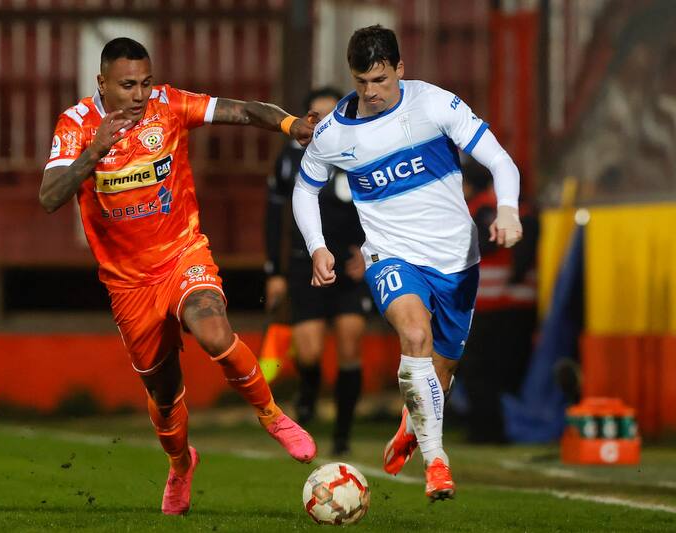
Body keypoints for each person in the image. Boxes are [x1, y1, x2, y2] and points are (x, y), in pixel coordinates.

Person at [39, 37, 317, 516]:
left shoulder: (169, 106)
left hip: (181, 254)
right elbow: (48, 197)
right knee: (165, 397)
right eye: (128, 85)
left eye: (145, 82)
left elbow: (245, 110)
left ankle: (270, 414)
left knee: (214, 332)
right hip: (128, 284)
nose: (140, 94)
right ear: (101, 83)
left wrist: (291, 124)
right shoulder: (77, 125)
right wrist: (93, 153)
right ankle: (180, 465)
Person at [292, 25, 523, 502]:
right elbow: (303, 189)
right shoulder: (334, 132)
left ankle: (413, 424)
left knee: (440, 372)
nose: (371, 93)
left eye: (380, 80)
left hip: (457, 258)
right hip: (390, 254)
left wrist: (507, 210)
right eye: (362, 83)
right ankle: (437, 463)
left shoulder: (435, 104)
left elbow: (502, 162)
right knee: (414, 336)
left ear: (400, 69)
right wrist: (317, 245)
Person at [264, 87, 370, 456]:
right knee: (308, 351)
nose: (324, 121)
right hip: (302, 262)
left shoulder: (360, 152)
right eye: (317, 114)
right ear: (308, 118)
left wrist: (370, 252)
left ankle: (342, 434)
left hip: (349, 265)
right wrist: (274, 271)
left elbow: (378, 206)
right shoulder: (290, 159)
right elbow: (274, 216)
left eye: (332, 113)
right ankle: (307, 394)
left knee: (350, 342)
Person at [457, 162, 538, 443]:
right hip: (521, 303)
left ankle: (485, 429)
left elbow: (475, 245)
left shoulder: (479, 207)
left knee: (478, 370)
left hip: (488, 303)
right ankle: (509, 426)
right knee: (511, 370)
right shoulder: (525, 208)